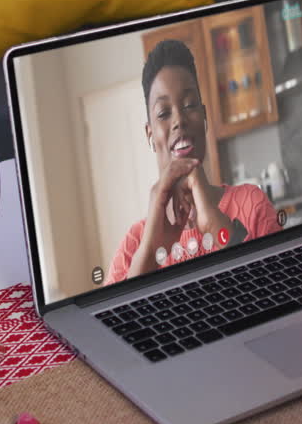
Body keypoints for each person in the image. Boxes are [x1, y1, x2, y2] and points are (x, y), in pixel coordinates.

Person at [106, 39, 280, 284]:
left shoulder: (251, 203)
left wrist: (215, 224)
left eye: (189, 106)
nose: (179, 120)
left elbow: (274, 289)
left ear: (205, 117)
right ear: (149, 135)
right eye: (164, 113)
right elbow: (120, 320)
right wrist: (150, 250)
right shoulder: (133, 244)